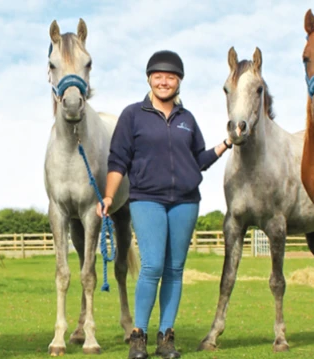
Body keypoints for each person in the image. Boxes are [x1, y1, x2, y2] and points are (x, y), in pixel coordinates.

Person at [96, 50, 232, 359]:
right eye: (158, 76)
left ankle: (166, 337)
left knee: (174, 269)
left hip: (185, 202)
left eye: (170, 76)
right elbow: (118, 160)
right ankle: (138, 335)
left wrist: (225, 144)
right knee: (153, 265)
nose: (164, 81)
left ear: (179, 82)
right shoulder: (133, 115)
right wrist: (107, 196)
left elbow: (198, 160)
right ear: (149, 79)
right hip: (146, 199)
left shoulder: (187, 119)